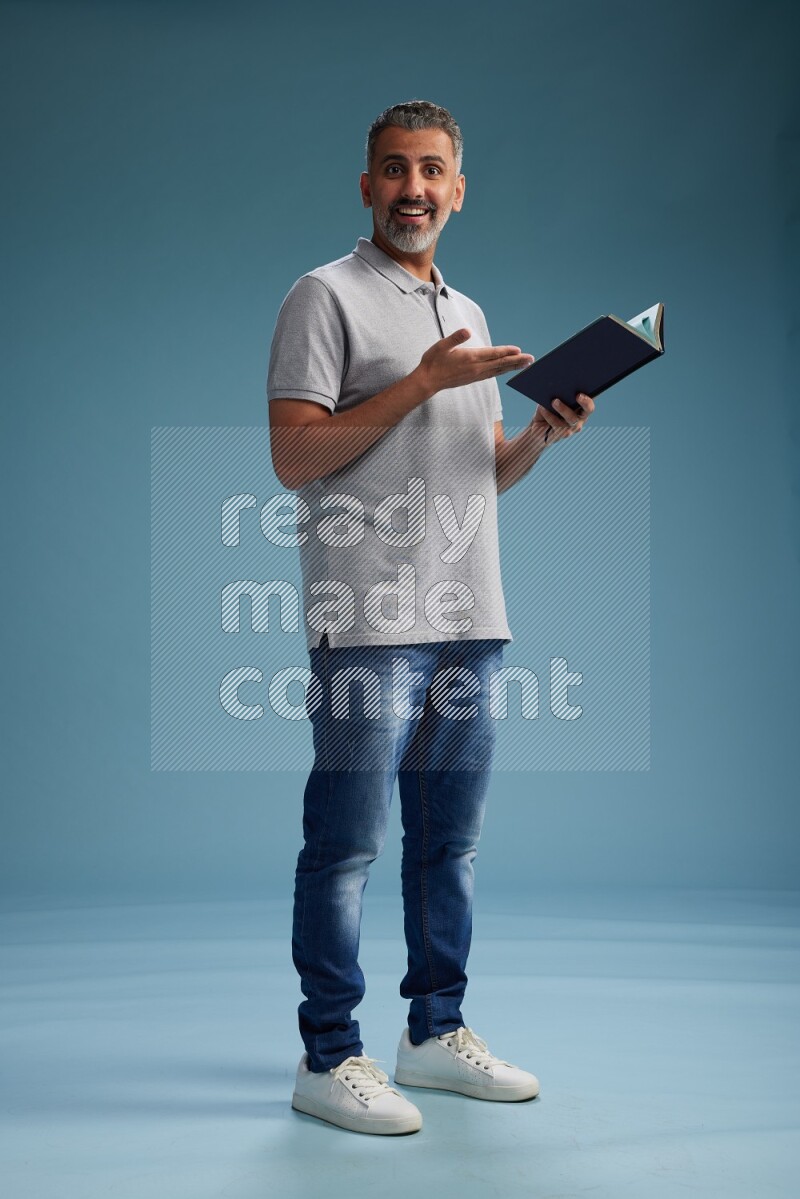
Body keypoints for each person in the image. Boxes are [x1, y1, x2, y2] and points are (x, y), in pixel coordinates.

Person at [267, 99, 594, 1136]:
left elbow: (474, 474)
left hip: (468, 615)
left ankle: (431, 1031)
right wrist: (419, 382)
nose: (413, 188)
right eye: (393, 170)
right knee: (347, 846)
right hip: (365, 618)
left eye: (432, 171)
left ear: (458, 189)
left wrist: (539, 433)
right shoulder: (321, 297)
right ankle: (329, 1054)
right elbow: (294, 456)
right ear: (365, 186)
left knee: (446, 846)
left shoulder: (467, 306)